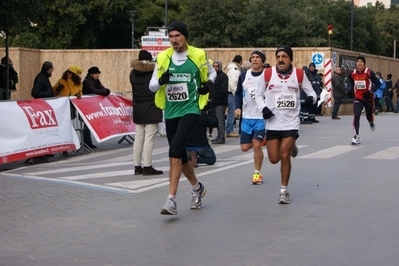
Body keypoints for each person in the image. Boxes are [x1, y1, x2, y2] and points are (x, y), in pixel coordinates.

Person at [149, 21, 216, 215]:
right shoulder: (163, 57)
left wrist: (208, 84)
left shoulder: (198, 55)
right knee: (180, 155)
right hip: (171, 111)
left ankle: (171, 200)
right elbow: (152, 86)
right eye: (170, 37)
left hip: (190, 109)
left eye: (177, 36)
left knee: (175, 151)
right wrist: (161, 81)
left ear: (185, 36)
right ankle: (197, 188)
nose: (174, 40)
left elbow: (212, 72)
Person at [256, 45, 316, 204]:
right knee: (274, 159)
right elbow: (257, 95)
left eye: (284, 57)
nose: (281, 60)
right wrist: (264, 109)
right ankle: (292, 147)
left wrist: (311, 100)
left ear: (290, 59)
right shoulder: (268, 74)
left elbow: (313, 93)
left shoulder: (299, 74)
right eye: (278, 57)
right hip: (273, 123)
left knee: (284, 155)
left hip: (291, 122)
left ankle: (284, 190)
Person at [234, 50, 267, 185]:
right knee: (245, 147)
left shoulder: (267, 75)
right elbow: (237, 94)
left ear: (262, 61)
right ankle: (260, 141)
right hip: (247, 117)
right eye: (252, 57)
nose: (254, 60)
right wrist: (237, 107)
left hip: (261, 117)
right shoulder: (244, 75)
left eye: (257, 57)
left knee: (256, 146)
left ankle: (257, 174)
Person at [129, 50, 163, 176]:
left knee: (138, 138)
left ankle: (137, 166)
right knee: (149, 138)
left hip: (138, 107)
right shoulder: (153, 72)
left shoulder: (132, 73)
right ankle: (147, 166)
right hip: (152, 106)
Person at [347, 56, 380, 145]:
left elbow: (378, 84)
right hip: (358, 98)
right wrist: (350, 90)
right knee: (356, 115)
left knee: (368, 116)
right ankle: (356, 136)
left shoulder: (369, 72)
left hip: (368, 98)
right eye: (358, 61)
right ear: (356, 63)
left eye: (361, 61)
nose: (359, 63)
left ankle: (371, 122)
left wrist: (370, 91)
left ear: (364, 63)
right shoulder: (353, 73)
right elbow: (351, 82)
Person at [82, 66, 111, 149]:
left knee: (89, 124)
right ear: (91, 74)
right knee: (86, 125)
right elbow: (94, 91)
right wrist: (105, 92)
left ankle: (88, 142)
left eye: (98, 73)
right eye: (96, 73)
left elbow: (101, 88)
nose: (98, 75)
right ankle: (87, 142)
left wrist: (105, 90)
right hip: (86, 105)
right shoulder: (88, 81)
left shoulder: (96, 80)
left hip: (91, 105)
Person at [209, 60, 228, 144]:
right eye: (214, 66)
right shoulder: (213, 76)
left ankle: (221, 137)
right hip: (214, 102)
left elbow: (222, 91)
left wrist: (216, 99)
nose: (215, 68)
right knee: (216, 121)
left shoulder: (223, 76)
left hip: (220, 103)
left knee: (220, 121)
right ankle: (219, 137)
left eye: (217, 66)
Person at [225, 55, 242, 138]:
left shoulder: (231, 69)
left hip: (229, 93)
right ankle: (229, 130)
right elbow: (233, 84)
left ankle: (229, 129)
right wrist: (236, 95)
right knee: (231, 113)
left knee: (230, 113)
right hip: (231, 93)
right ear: (240, 61)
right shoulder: (235, 70)